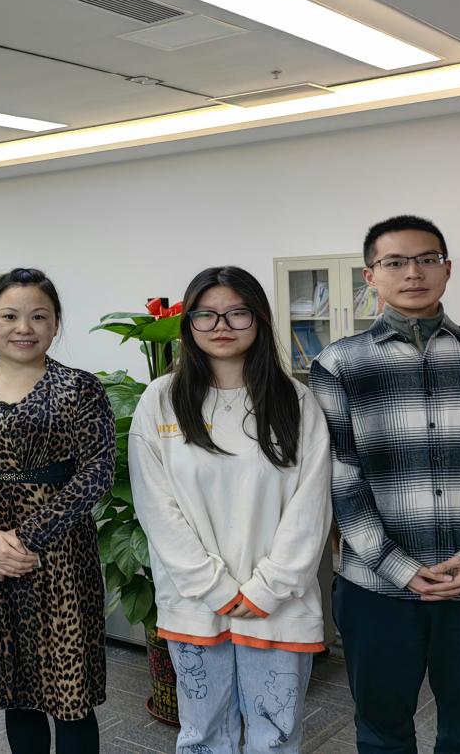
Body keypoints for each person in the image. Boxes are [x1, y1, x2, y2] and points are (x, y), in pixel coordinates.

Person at [310, 215, 460, 754]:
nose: (412, 273)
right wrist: (397, 566)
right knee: (381, 731)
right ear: (370, 276)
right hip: (377, 588)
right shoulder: (339, 363)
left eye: (426, 259)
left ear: (447, 269)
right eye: (394, 262)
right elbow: (341, 479)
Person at [128, 266, 332, 754]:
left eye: (238, 313)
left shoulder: (295, 401)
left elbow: (310, 507)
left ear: (259, 319)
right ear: (189, 324)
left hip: (278, 603)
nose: (222, 325)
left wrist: (267, 588)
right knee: (203, 737)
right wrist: (213, 587)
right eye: (207, 314)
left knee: (275, 739)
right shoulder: (161, 400)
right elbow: (157, 507)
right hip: (196, 601)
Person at [0, 268, 115, 754]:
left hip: (61, 554)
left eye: (39, 316)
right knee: (15, 688)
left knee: (72, 693)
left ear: (55, 324)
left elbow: (97, 471)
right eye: (10, 316)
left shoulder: (80, 388)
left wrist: (27, 536)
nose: (24, 328)